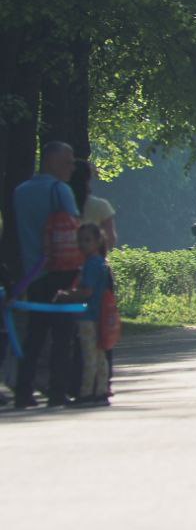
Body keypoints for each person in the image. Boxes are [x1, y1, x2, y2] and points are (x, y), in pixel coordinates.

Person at [13, 141, 80, 409]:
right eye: (67, 162)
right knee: (63, 335)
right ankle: (57, 391)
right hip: (61, 271)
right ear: (51, 162)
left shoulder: (20, 191)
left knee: (35, 335)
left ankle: (23, 390)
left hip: (33, 272)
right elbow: (74, 228)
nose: (72, 167)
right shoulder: (59, 190)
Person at [54, 224, 112, 407]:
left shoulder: (91, 264)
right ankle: (101, 391)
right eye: (80, 240)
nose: (82, 244)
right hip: (100, 315)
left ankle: (86, 393)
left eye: (87, 240)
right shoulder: (101, 262)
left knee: (89, 356)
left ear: (97, 241)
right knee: (100, 354)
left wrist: (66, 296)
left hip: (88, 316)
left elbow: (87, 292)